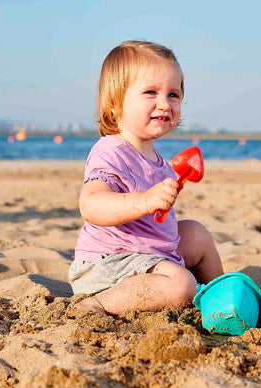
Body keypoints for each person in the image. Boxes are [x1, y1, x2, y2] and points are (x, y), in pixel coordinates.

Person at [69, 40, 223, 315]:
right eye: (151, 92)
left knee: (197, 234)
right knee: (181, 286)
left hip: (148, 254)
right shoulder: (111, 150)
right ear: (115, 105)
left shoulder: (159, 161)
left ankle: (219, 295)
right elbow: (91, 205)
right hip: (108, 264)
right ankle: (97, 304)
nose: (164, 103)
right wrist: (144, 201)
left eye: (173, 95)